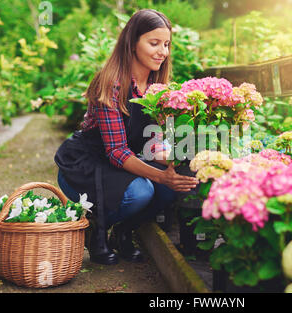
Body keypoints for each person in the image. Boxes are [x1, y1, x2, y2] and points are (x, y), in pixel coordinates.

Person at [54, 9, 198, 265]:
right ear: (132, 43)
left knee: (173, 186)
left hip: (121, 164)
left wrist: (180, 164)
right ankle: (95, 228)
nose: (162, 52)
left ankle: (124, 231)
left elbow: (152, 144)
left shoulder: (157, 87)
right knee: (142, 191)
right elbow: (116, 151)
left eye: (166, 44)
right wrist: (160, 174)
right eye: (154, 43)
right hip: (85, 166)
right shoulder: (110, 84)